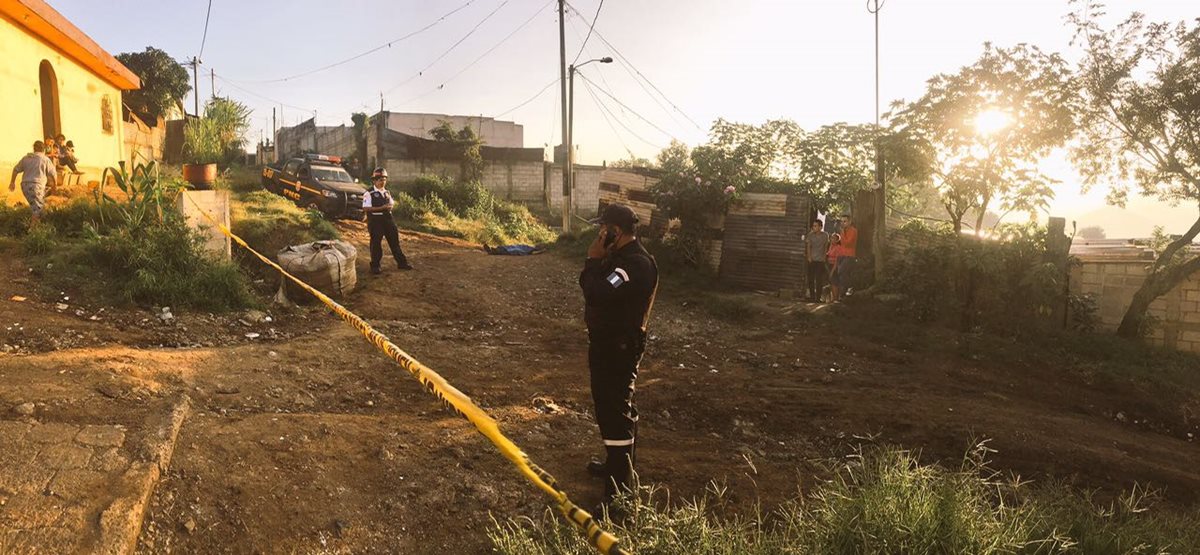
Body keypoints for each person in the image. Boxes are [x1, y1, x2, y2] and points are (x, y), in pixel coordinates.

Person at [579, 203, 659, 505]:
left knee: (616, 413)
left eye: (604, 228)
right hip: (609, 345)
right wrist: (598, 261)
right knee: (616, 409)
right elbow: (595, 287)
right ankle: (617, 467)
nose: (600, 232)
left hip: (617, 349)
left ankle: (619, 495)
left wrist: (591, 259)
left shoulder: (634, 265)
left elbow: (596, 292)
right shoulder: (622, 258)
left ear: (616, 231)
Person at [362, 167, 413, 274]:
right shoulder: (369, 193)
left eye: (384, 180)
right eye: (380, 180)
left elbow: (391, 203)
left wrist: (389, 207)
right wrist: (382, 208)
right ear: (374, 180)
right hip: (375, 220)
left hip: (388, 219)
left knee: (394, 242)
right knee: (376, 243)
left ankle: (402, 263)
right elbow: (366, 208)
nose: (382, 182)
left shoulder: (386, 192)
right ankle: (375, 266)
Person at [8, 141, 57, 226]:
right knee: (38, 209)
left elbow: (16, 170)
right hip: (36, 186)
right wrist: (54, 187)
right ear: (43, 149)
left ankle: (37, 227)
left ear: (34, 149)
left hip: (25, 186)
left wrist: (12, 182)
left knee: (36, 207)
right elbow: (53, 174)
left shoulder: (26, 158)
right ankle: (33, 231)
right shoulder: (45, 159)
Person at [803, 219, 830, 302]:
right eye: (813, 226)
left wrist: (824, 256)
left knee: (819, 279)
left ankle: (818, 298)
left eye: (815, 226)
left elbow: (826, 246)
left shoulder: (825, 235)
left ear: (820, 227)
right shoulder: (810, 235)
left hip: (820, 260)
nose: (814, 227)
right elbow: (808, 246)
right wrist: (809, 257)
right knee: (811, 279)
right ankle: (812, 296)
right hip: (812, 259)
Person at [836, 214, 858, 299]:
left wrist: (842, 234)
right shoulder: (843, 231)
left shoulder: (853, 231)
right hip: (842, 255)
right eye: (841, 221)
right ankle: (843, 294)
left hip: (849, 255)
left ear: (849, 222)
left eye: (844, 221)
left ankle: (850, 287)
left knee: (841, 271)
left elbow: (848, 243)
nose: (843, 223)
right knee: (842, 274)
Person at [826, 233, 845, 302]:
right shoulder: (831, 246)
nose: (832, 239)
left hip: (835, 266)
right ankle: (833, 298)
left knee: (834, 282)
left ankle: (836, 298)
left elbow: (837, 261)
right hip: (830, 264)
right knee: (831, 282)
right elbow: (828, 254)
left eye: (833, 238)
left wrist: (833, 270)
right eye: (831, 238)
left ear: (837, 240)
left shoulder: (838, 247)